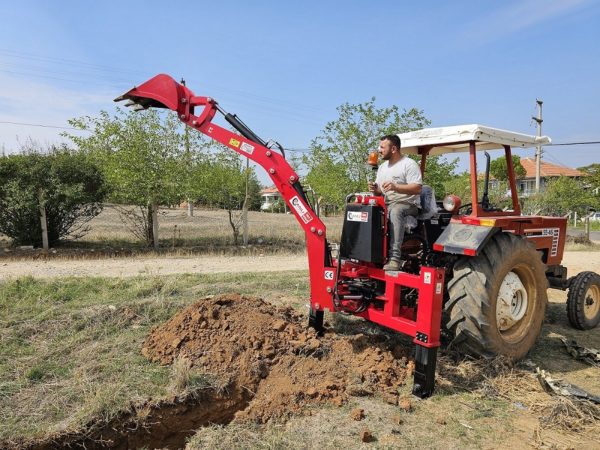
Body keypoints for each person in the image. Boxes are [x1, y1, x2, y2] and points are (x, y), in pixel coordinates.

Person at [368, 134, 422, 271]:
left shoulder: (409, 164)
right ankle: (369, 254)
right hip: (387, 203)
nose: (379, 150)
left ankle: (394, 259)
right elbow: (380, 191)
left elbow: (417, 188)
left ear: (393, 149)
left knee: (396, 210)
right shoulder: (382, 167)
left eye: (382, 147)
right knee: (366, 210)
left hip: (408, 204)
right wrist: (375, 189)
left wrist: (396, 186)